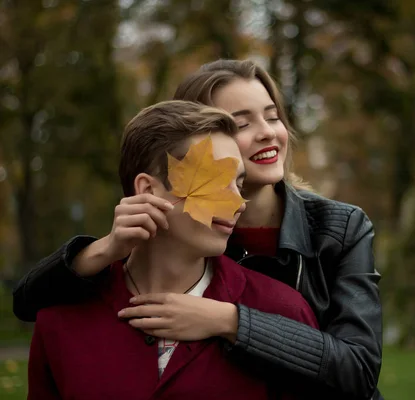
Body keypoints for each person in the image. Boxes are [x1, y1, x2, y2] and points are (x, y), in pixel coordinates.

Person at [14, 59, 383, 400]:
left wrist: (227, 319)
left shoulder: (338, 229)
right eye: (241, 123)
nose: (267, 133)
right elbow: (31, 303)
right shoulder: (176, 228)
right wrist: (105, 248)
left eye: (272, 116)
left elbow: (359, 371)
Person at [28, 100, 319, 400]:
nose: (238, 205)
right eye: (214, 181)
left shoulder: (282, 312)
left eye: (239, 184)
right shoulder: (60, 319)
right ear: (148, 191)